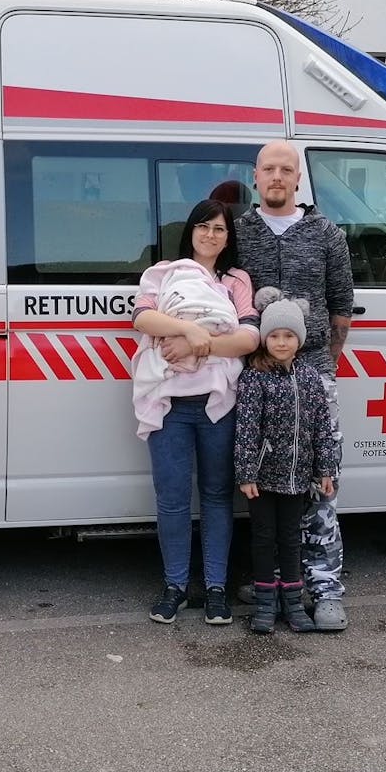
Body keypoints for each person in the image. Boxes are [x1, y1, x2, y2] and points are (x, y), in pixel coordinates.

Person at [231, 141, 354, 631]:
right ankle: (279, 580)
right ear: (255, 177)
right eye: (268, 169)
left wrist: (323, 368)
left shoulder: (326, 232)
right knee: (265, 484)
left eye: (287, 169)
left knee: (320, 486)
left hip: (314, 370)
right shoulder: (239, 231)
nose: (277, 176)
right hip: (257, 374)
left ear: (298, 178)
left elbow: (341, 304)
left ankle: (324, 588)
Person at [132, 199, 260, 625]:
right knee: (171, 499)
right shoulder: (167, 272)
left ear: (229, 238)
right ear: (191, 231)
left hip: (217, 405)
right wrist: (186, 327)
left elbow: (248, 339)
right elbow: (143, 318)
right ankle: (175, 586)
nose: (211, 235)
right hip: (169, 404)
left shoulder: (238, 280)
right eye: (204, 226)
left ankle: (217, 589)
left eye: (220, 229)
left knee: (218, 497)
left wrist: (192, 344)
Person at [234, 290, 340, 634]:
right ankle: (266, 604)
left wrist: (324, 469)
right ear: (265, 339)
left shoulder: (310, 378)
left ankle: (293, 604)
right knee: (264, 537)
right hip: (263, 479)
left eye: (289, 336)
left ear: (300, 339)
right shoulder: (253, 377)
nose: (281, 342)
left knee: (292, 538)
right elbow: (247, 428)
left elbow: (323, 427)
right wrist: (246, 472)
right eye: (275, 336)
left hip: (298, 478)